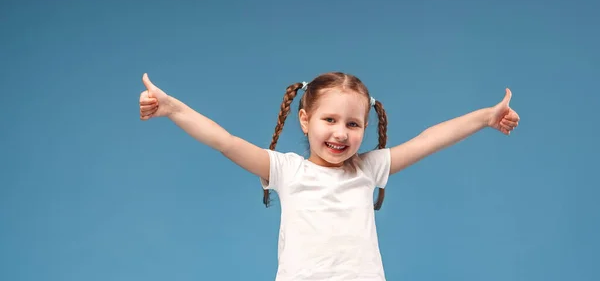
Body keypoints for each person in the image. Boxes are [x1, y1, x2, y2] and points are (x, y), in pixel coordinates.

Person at [138, 71, 520, 281]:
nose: (341, 133)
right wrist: (173, 109)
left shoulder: (368, 169)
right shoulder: (286, 170)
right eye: (330, 120)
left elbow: (428, 140)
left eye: (353, 124)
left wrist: (484, 117)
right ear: (305, 120)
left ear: (366, 126)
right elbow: (225, 141)